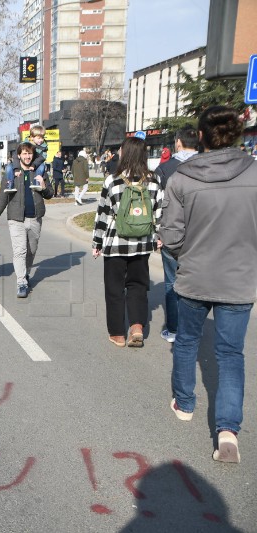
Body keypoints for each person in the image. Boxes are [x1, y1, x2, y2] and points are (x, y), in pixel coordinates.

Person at [160, 106, 257, 463]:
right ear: (238, 134)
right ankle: (228, 431)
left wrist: (188, 252)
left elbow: (170, 236)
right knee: (231, 355)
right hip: (239, 279)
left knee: (186, 341)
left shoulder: (181, 178)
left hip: (194, 276)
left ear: (199, 136)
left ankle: (184, 403)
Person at [92, 133, 162, 348]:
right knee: (138, 286)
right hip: (142, 244)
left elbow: (102, 214)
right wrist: (158, 237)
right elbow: (159, 211)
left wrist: (97, 243)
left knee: (114, 289)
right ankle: (137, 326)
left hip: (116, 244)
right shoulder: (154, 180)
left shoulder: (112, 180)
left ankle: (117, 334)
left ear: (125, 153)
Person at [153, 126, 199, 343]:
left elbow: (157, 204)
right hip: (201, 235)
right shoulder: (207, 165)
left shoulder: (165, 169)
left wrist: (158, 233)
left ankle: (173, 329)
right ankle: (192, 329)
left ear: (178, 142)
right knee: (195, 284)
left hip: (172, 234)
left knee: (172, 282)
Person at [0, 142, 54, 298]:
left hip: (35, 218)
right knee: (20, 251)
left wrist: (44, 186)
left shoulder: (38, 171)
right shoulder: (12, 173)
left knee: (31, 250)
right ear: (19, 155)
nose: (27, 156)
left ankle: (26, 273)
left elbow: (50, 194)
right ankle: (21, 282)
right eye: (24, 153)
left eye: (29, 153)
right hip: (16, 219)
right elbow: (2, 198)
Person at [5, 124, 49, 194]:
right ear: (32, 137)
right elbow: (15, 156)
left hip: (35, 164)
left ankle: (37, 183)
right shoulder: (23, 145)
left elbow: (42, 158)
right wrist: (16, 169)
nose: (41, 140)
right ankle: (10, 184)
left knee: (42, 166)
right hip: (20, 166)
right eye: (38, 138)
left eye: (42, 138)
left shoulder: (43, 147)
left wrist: (34, 165)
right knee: (9, 167)